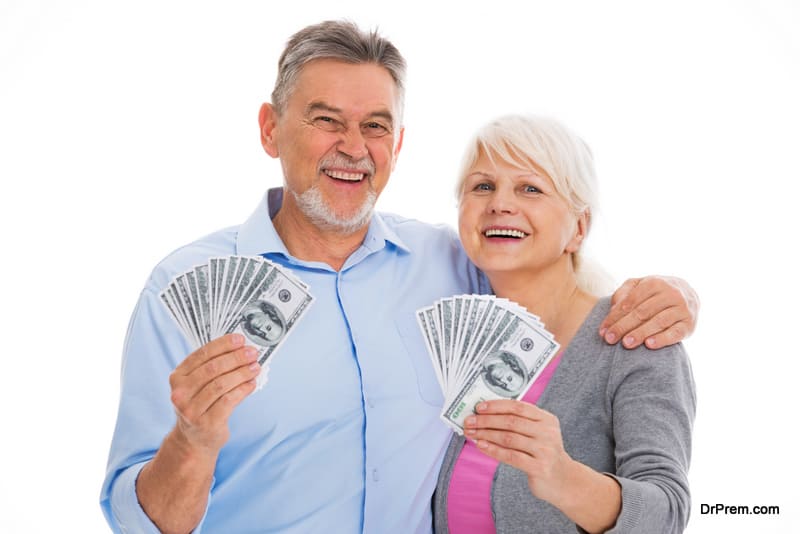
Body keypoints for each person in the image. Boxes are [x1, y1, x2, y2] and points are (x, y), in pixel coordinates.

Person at [100, 20, 699, 534]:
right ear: (269, 128)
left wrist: (679, 291)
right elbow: (137, 519)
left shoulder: (452, 263)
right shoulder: (182, 288)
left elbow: (547, 267)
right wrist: (193, 441)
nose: (353, 147)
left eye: (376, 126)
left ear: (399, 143)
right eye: (326, 119)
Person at [432, 115, 695, 533]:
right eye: (483, 186)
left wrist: (561, 476)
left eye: (530, 188)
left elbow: (667, 513)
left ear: (579, 228)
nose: (500, 203)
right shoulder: (450, 333)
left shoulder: (634, 339)